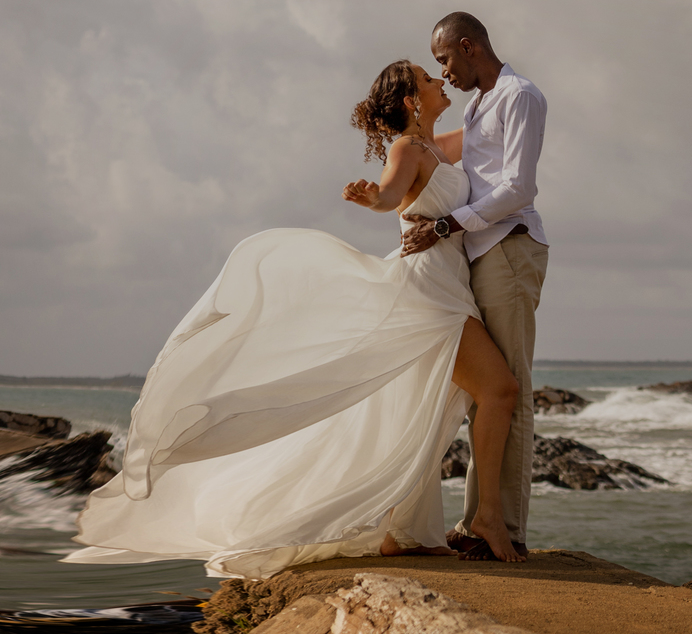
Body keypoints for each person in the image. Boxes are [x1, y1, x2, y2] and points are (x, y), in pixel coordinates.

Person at [66, 58, 521, 578]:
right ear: (411, 101)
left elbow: (491, 133)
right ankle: (487, 517)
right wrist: (374, 199)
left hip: (451, 284)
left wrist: (509, 92)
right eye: (427, 77)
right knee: (499, 390)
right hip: (429, 292)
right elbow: (392, 195)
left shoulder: (442, 147)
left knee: (424, 408)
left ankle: (405, 532)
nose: (440, 80)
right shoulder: (407, 150)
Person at [401, 12, 548, 560]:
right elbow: (432, 154)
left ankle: (507, 527)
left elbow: (518, 187)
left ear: (468, 47)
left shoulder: (520, 96)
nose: (443, 71)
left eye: (443, 59)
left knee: (511, 389)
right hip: (478, 257)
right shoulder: (476, 105)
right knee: (486, 394)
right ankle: (477, 521)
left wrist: (444, 226)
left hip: (508, 248)